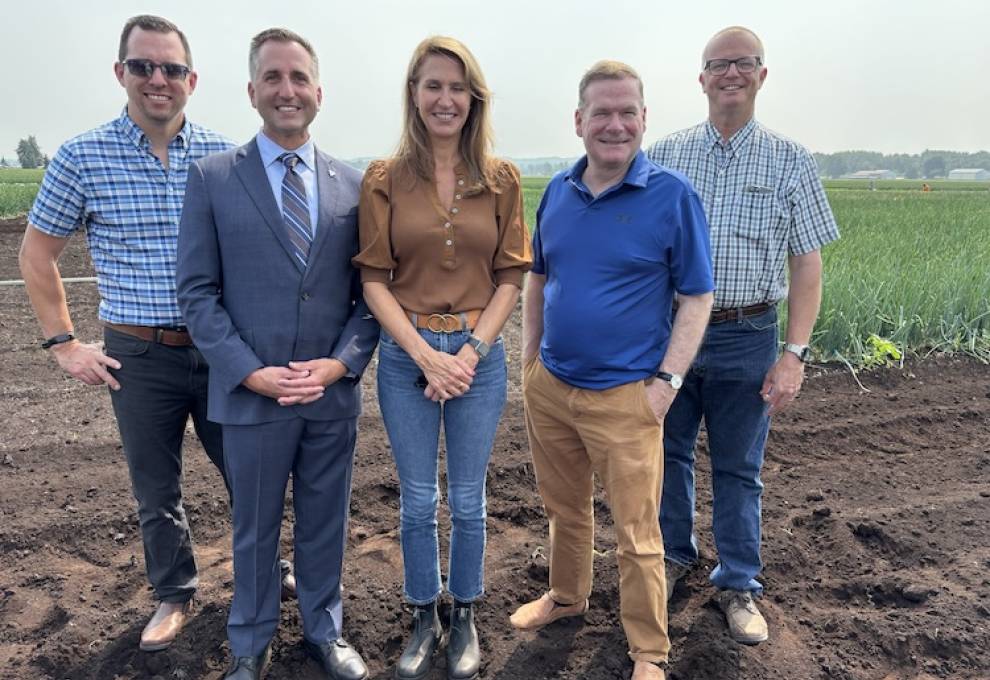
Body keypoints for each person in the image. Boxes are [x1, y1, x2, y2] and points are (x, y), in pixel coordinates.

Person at [18, 14, 238, 652]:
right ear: (121, 74)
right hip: (138, 353)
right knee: (156, 486)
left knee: (246, 472)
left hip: (220, 348)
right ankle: (175, 593)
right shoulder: (83, 156)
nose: (157, 79)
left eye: (171, 68)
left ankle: (264, 570)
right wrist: (63, 343)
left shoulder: (224, 155)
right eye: (143, 66)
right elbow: (36, 255)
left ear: (191, 79)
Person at [176, 28, 377, 680]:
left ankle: (324, 630)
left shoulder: (355, 184)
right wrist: (249, 372)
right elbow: (198, 293)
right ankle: (250, 642)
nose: (286, 90)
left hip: (328, 395)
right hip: (252, 398)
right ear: (252, 91)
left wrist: (341, 363)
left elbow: (370, 295)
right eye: (273, 78)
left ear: (318, 91)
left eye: (299, 78)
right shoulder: (211, 180)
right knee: (254, 531)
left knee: (325, 524)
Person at [509, 61, 714, 680]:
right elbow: (539, 276)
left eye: (628, 113)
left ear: (644, 120)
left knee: (636, 532)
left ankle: (648, 651)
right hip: (553, 389)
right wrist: (529, 362)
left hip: (628, 398)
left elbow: (697, 296)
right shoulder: (557, 192)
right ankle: (567, 597)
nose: (615, 125)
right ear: (580, 121)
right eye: (602, 112)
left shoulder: (671, 197)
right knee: (563, 508)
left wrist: (667, 385)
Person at [646, 26, 840, 645]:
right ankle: (674, 558)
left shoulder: (790, 159)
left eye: (743, 64)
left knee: (738, 467)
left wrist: (794, 355)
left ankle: (737, 584)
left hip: (747, 333)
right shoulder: (668, 153)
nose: (731, 74)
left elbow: (807, 261)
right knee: (666, 454)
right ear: (701, 77)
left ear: (762, 75)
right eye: (718, 65)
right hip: (674, 334)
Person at [353, 36, 532, 680]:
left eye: (458, 88)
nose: (446, 99)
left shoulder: (503, 179)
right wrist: (426, 356)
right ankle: (423, 612)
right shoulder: (384, 178)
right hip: (408, 356)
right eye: (433, 86)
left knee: (469, 498)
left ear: (474, 98)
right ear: (414, 94)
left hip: (478, 357)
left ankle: (466, 614)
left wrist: (472, 351)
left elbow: (511, 277)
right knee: (418, 498)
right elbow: (375, 280)